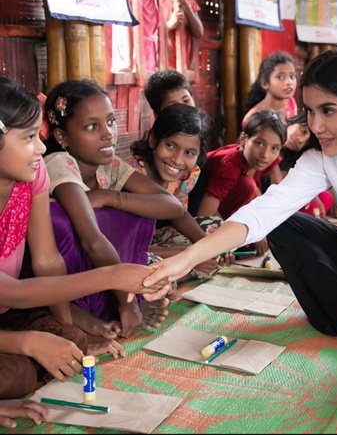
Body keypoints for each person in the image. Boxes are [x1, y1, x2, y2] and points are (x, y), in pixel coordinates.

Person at [143, 46, 337, 373]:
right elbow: (263, 212)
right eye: (310, 111)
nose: (316, 125)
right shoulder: (324, 157)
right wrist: (187, 259)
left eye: (328, 111)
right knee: (283, 224)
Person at [0, 76, 168, 399]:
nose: (40, 148)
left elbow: (48, 261)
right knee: (16, 376)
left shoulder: (33, 175)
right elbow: (13, 293)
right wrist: (113, 275)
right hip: (12, 301)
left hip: (7, 313)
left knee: (71, 344)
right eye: (29, 137)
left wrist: (69, 332)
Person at [43, 79, 183, 341]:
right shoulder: (58, 164)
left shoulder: (108, 165)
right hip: (56, 276)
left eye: (110, 121)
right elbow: (92, 241)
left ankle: (114, 303)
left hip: (97, 269)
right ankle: (89, 311)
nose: (108, 134)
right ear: (62, 137)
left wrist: (111, 197)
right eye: (92, 126)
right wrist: (128, 303)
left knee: (157, 269)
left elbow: (172, 206)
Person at [129, 104, 229, 278]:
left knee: (214, 227)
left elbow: (179, 214)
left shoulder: (186, 175)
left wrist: (210, 247)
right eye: (170, 145)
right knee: (145, 265)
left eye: (189, 153)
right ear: (153, 139)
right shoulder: (132, 176)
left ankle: (185, 271)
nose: (177, 160)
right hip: (128, 246)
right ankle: (184, 272)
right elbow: (127, 246)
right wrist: (190, 256)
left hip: (157, 239)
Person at [189, 110, 286, 255]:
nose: (265, 155)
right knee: (247, 186)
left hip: (221, 206)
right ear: (244, 139)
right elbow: (204, 214)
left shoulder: (258, 160)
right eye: (259, 143)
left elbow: (262, 194)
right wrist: (233, 238)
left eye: (274, 148)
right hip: (193, 206)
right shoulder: (229, 164)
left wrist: (261, 227)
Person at [266, 111, 335, 217]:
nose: (300, 140)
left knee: (325, 197)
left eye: (306, 143)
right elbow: (277, 183)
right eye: (303, 131)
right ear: (296, 120)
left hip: (283, 196)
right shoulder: (269, 132)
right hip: (261, 191)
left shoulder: (293, 158)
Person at [241, 52, 298, 128]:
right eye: (280, 77)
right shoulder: (253, 117)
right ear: (265, 83)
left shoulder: (290, 102)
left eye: (292, 76)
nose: (289, 82)